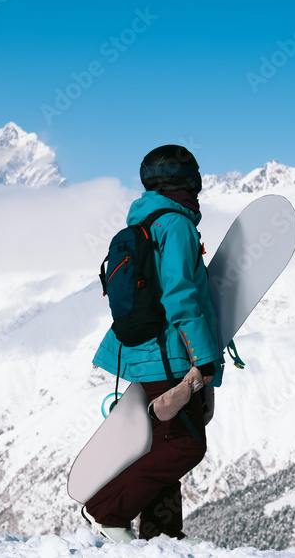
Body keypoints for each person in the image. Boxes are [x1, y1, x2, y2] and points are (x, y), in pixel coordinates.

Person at [83, 144, 222, 543]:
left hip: (141, 351)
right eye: (194, 180)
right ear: (182, 181)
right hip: (169, 355)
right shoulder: (175, 225)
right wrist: (204, 360)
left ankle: (162, 534)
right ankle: (107, 512)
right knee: (184, 446)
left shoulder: (146, 221)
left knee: (162, 440)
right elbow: (182, 297)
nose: (199, 190)